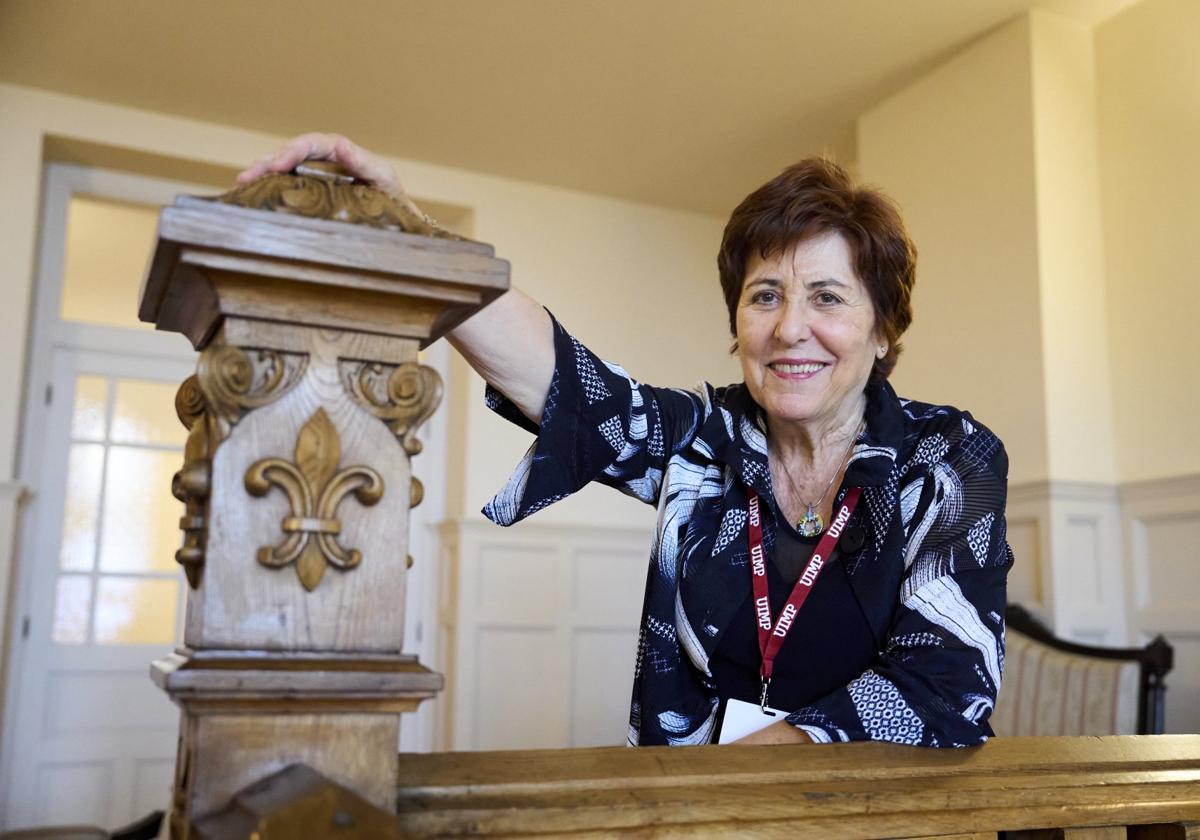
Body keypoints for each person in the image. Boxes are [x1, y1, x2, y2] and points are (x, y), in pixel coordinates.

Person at [240, 135, 1013, 747]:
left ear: (883, 331)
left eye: (827, 298)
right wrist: (407, 229)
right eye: (765, 296)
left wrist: (749, 775)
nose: (788, 328)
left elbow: (944, 689)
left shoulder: (949, 459)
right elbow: (563, 381)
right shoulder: (707, 439)